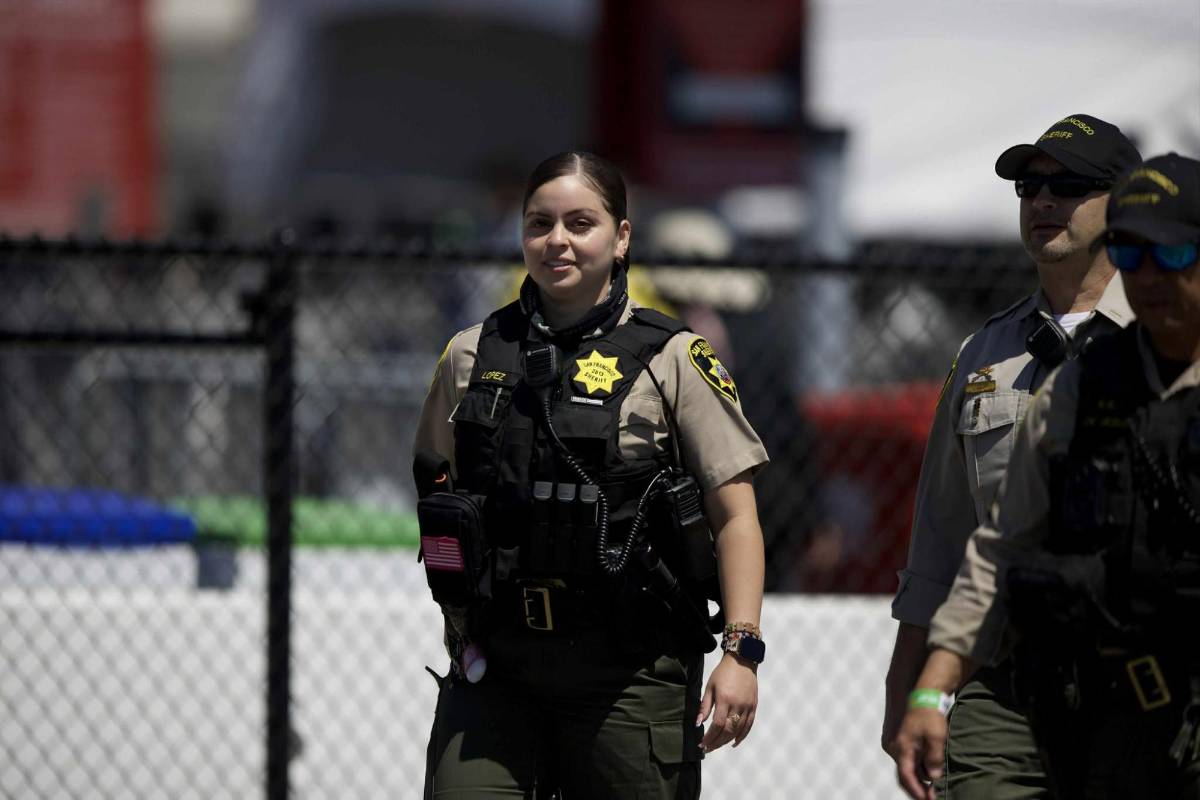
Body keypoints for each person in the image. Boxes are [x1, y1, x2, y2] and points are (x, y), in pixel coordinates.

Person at [412, 150, 768, 799]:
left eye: (581, 223)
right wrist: (460, 622)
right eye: (539, 223)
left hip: (628, 674)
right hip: (500, 671)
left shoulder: (673, 357)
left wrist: (740, 651)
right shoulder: (471, 354)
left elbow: (737, 514)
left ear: (621, 236)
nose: (557, 241)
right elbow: (437, 490)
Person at [895, 152, 1200, 799]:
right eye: (1131, 252)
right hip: (1071, 693)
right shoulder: (1081, 386)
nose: (1147, 275)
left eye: (1170, 256)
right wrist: (930, 686)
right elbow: (993, 545)